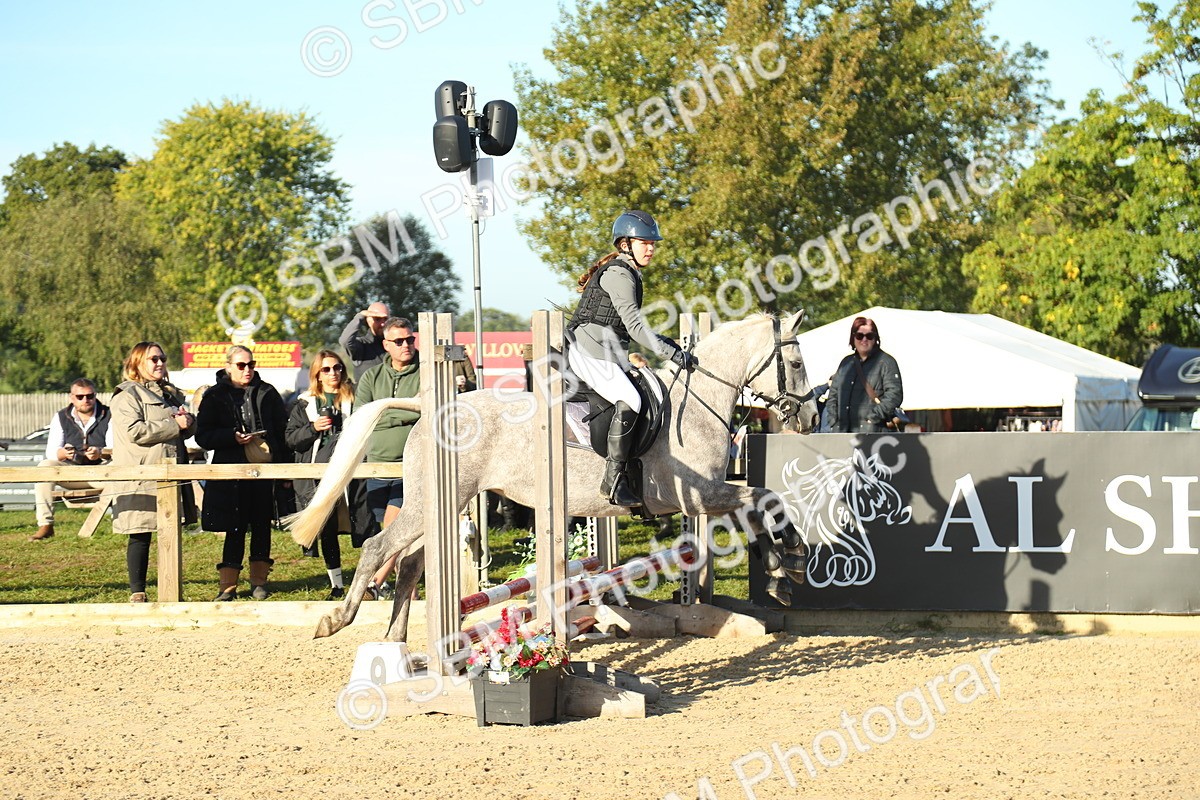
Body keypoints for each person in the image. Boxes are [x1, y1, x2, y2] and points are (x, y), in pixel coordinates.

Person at [566, 210, 698, 507]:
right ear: (625, 244)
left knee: (644, 393)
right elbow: (636, 327)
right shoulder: (618, 273)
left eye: (653, 243)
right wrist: (672, 353)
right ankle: (613, 479)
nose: (650, 248)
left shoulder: (626, 271)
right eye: (644, 243)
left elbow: (630, 326)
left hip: (607, 351)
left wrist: (666, 343)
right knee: (633, 400)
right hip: (591, 351)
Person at [195, 345, 288, 601]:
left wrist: (285, 470)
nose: (247, 369)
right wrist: (230, 437)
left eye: (251, 364)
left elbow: (282, 432)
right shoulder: (214, 396)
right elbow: (202, 435)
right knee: (234, 527)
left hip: (263, 469)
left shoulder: (268, 392)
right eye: (241, 365)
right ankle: (228, 586)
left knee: (261, 525)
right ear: (228, 366)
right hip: (230, 470)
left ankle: (259, 583)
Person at [110, 343, 196, 602]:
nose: (160, 363)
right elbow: (134, 431)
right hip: (142, 472)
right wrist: (174, 424)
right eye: (153, 359)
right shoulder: (126, 395)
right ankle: (138, 590)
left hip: (171, 471)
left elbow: (182, 430)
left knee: (170, 532)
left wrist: (189, 422)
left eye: (162, 358)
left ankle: (170, 590)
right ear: (137, 363)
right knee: (140, 533)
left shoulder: (170, 393)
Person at [285, 350, 367, 600]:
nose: (334, 373)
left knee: (365, 526)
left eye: (338, 368)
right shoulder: (304, 403)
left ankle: (372, 583)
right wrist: (313, 428)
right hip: (318, 473)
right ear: (317, 375)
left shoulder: (357, 398)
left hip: (354, 472)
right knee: (327, 529)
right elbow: (291, 439)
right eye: (327, 369)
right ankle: (337, 585)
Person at [355, 316, 421, 597]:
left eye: (410, 339)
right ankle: (407, 591)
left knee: (394, 527)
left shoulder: (425, 373)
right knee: (391, 530)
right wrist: (406, 411)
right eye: (399, 341)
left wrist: (383, 411)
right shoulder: (371, 376)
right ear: (386, 345)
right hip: (376, 464)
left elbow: (427, 411)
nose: (406, 345)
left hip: (411, 465)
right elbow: (362, 414)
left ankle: (374, 582)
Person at [29, 378, 114, 541]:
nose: (85, 400)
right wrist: (62, 454)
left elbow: (114, 448)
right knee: (44, 466)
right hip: (71, 472)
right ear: (71, 397)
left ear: (95, 395)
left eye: (89, 396)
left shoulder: (108, 414)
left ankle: (120, 521)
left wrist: (100, 452)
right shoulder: (61, 416)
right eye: (80, 397)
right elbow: (51, 452)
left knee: (120, 467)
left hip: (101, 473)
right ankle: (45, 525)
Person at [823, 316, 904, 433]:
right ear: (853, 337)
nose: (864, 340)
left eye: (869, 336)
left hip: (874, 434)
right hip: (843, 433)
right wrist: (834, 421)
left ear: (875, 338)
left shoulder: (886, 362)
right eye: (859, 335)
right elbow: (833, 396)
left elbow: (895, 395)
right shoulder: (845, 363)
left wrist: (872, 418)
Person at [339, 301, 390, 375]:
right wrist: (360, 316)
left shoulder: (395, 346)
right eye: (377, 319)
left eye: (385, 319)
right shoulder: (362, 346)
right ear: (368, 321)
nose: (383, 324)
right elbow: (345, 341)